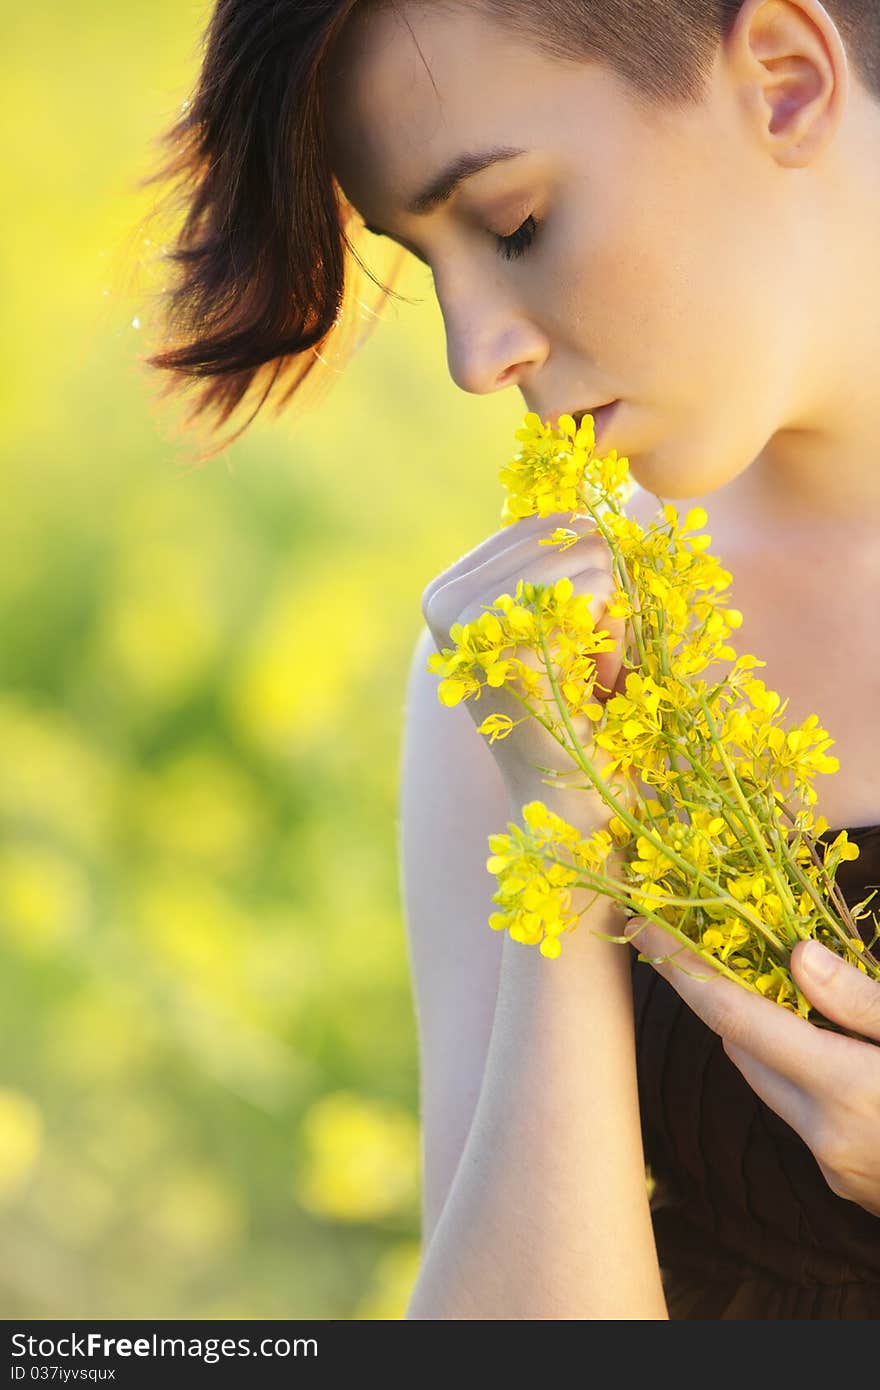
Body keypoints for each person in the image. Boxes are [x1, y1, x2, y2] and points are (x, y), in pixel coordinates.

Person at [142, 0, 880, 1318]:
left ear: (781, 79)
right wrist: (565, 837)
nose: (478, 356)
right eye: (429, 267)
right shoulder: (539, 658)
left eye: (516, 224)